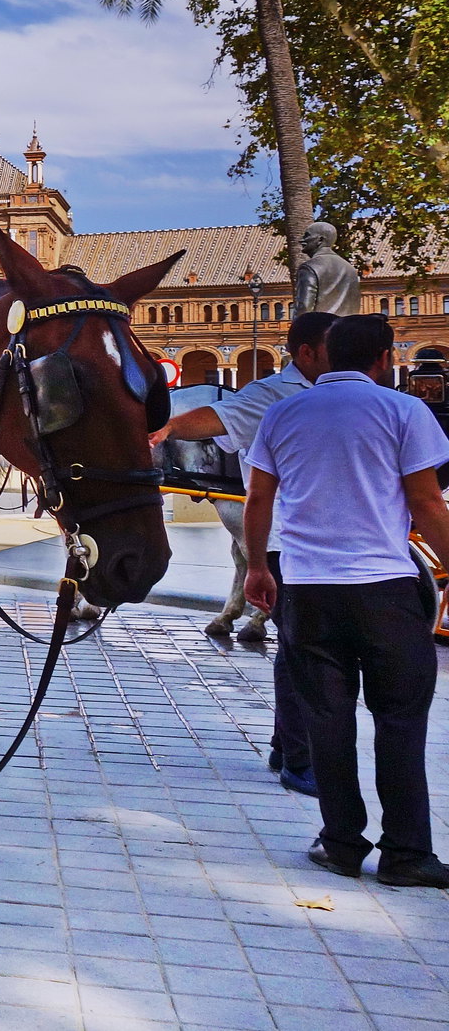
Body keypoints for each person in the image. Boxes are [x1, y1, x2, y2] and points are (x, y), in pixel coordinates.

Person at [245, 314, 449, 887]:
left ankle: (340, 843)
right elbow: (427, 503)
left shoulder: (283, 413)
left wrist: (258, 566)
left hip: (308, 590)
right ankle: (407, 853)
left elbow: (259, 496)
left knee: (327, 719)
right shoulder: (404, 411)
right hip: (384, 588)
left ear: (325, 355)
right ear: (385, 357)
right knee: (400, 720)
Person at [153, 311, 337, 794]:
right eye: (334, 346)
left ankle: (289, 744)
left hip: (319, 544)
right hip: (285, 543)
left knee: (305, 649)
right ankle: (298, 756)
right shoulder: (273, 395)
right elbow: (215, 417)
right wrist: (164, 430)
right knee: (304, 652)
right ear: (307, 353)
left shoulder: (330, 394)